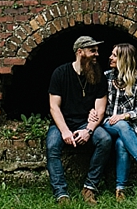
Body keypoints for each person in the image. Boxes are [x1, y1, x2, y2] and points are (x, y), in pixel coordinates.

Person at [46, 36, 112, 205]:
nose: (97, 54)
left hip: (86, 123)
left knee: (105, 140)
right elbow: (54, 107)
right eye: (92, 51)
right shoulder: (60, 73)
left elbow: (100, 109)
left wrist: (88, 130)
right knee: (52, 146)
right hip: (62, 123)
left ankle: (89, 187)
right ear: (80, 52)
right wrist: (64, 131)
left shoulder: (98, 76)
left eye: (97, 51)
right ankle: (61, 193)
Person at [101, 43, 137, 201]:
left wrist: (124, 115)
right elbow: (96, 100)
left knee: (122, 144)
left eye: (114, 55)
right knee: (120, 125)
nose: (110, 58)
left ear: (124, 59)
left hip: (128, 126)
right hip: (106, 123)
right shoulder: (106, 77)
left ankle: (120, 189)